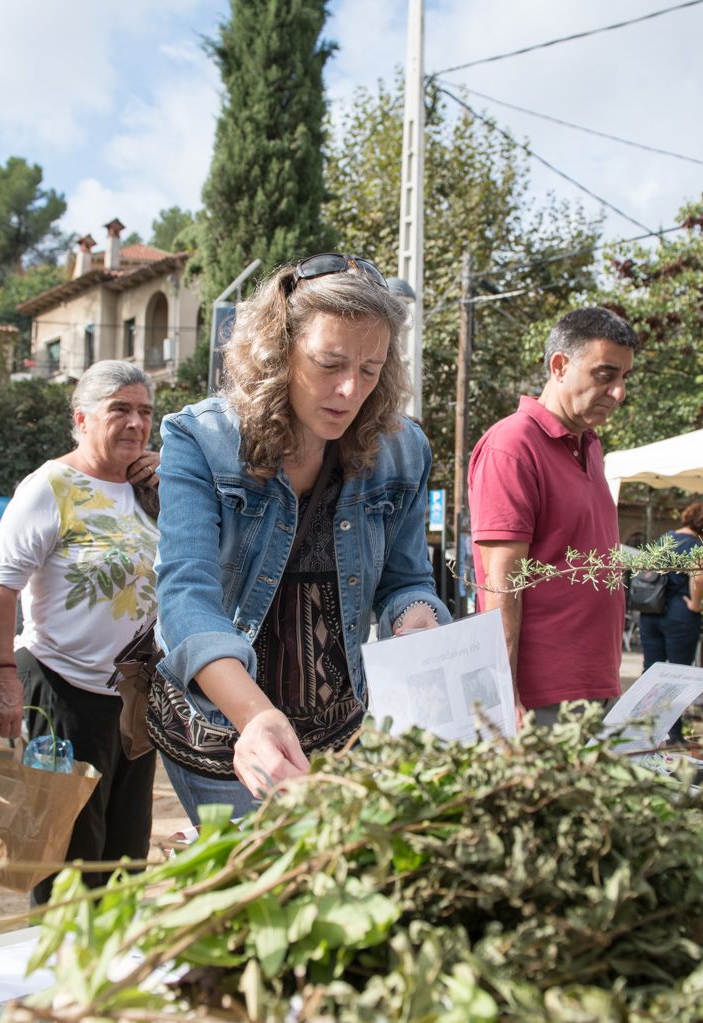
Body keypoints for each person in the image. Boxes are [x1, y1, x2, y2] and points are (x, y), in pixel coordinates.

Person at [150, 254, 448, 823]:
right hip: (224, 727)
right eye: (329, 362)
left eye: (370, 369)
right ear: (278, 349)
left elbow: (407, 581)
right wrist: (255, 716)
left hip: (342, 729)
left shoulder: (403, 449)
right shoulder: (199, 439)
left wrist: (416, 617)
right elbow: (186, 595)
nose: (348, 389)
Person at [0, 361, 162, 901]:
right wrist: (0, 678)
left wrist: (169, 482)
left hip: (134, 702)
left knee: (126, 858)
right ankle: (65, 979)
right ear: (82, 418)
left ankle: (111, 976)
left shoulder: (151, 490)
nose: (135, 423)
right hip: (62, 692)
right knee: (67, 864)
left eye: (145, 412)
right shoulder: (51, 486)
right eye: (120, 410)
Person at [468, 307, 637, 726]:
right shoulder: (512, 444)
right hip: (540, 695)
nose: (618, 393)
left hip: (595, 683)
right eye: (605, 374)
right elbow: (500, 583)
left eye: (624, 379)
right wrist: (505, 694)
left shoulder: (590, 445)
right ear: (560, 366)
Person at [640, 500, 703, 672]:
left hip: (650, 610)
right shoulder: (696, 545)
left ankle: (648, 700)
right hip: (679, 612)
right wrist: (696, 605)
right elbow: (697, 578)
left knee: (651, 668)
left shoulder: (664, 539)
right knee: (679, 671)